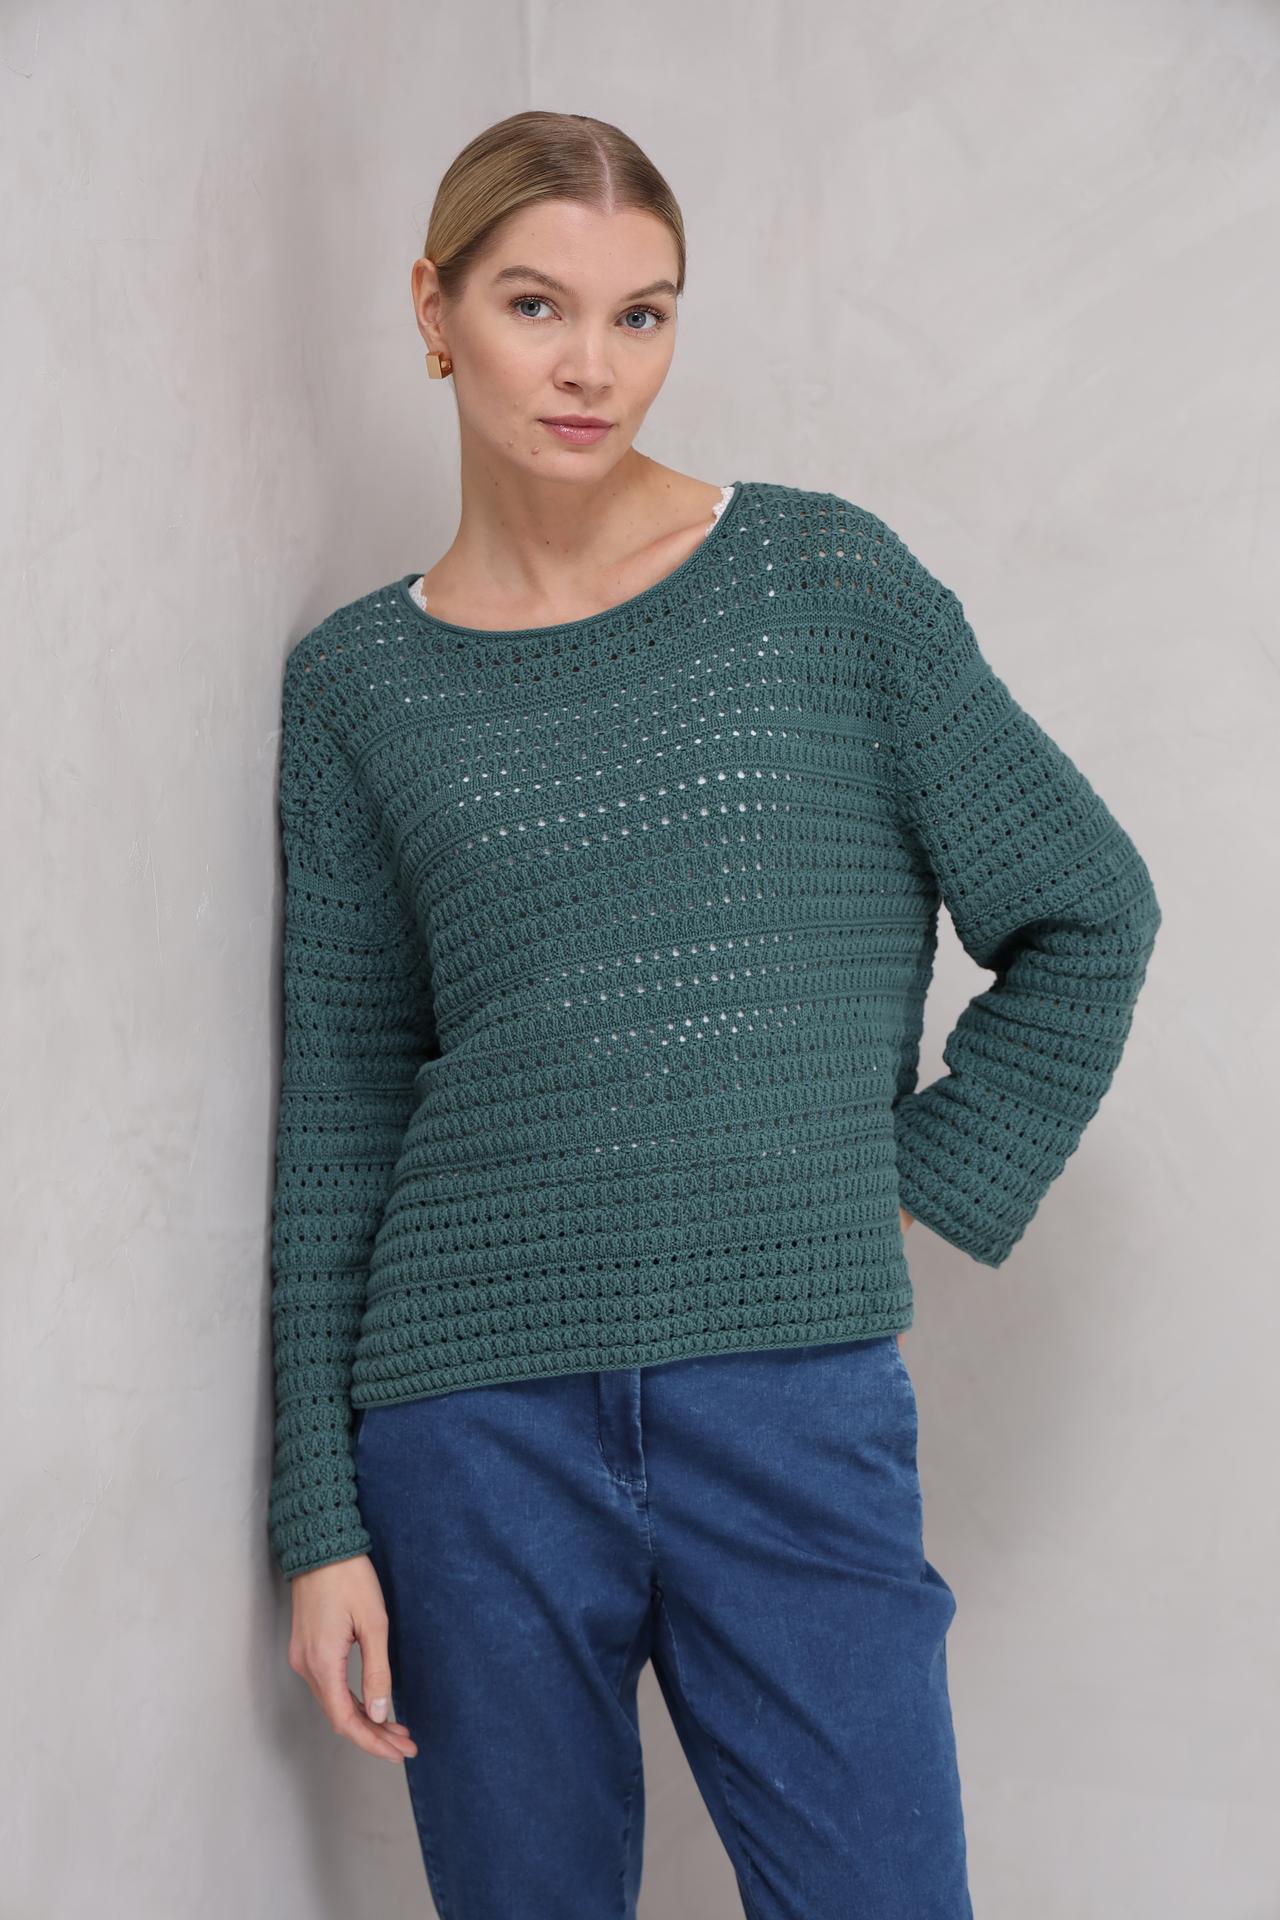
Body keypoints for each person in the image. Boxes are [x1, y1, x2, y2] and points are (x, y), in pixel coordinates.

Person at [267, 109, 1161, 1919]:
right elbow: (345, 1104)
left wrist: (890, 1187)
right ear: (433, 310)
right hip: (469, 1428)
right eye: (536, 305)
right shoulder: (358, 684)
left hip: (789, 1401)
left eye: (643, 314)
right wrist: (318, 1518)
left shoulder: (825, 587)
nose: (592, 368)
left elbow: (1091, 910)